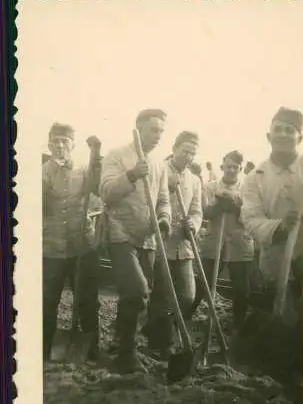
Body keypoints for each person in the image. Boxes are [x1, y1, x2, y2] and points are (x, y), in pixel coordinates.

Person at [99, 109, 171, 373]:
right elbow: (105, 192)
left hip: (148, 239)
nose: (158, 136)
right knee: (138, 291)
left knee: (138, 295)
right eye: (154, 130)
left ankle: (121, 342)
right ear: (138, 128)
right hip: (120, 233)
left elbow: (163, 199)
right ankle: (126, 355)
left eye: (162, 132)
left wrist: (164, 219)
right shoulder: (117, 155)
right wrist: (131, 175)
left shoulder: (159, 164)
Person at [42, 123, 102, 363]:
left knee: (87, 299)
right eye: (55, 141)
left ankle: (91, 350)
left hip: (81, 246)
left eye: (64, 141)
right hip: (51, 246)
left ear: (72, 145)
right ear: (49, 144)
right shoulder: (40, 172)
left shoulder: (84, 170)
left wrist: (97, 158)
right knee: (48, 300)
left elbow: (98, 187)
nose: (59, 146)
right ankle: (44, 347)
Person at [241, 107, 303, 317]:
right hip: (275, 265)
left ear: (300, 137)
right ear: (269, 136)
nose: (283, 135)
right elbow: (251, 220)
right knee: (278, 325)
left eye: (289, 130)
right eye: (278, 129)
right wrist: (281, 227)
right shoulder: (255, 178)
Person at [145, 131, 203, 359]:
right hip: (161, 243)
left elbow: (198, 210)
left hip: (184, 246)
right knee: (161, 295)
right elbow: (147, 200)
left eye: (193, 153)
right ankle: (162, 343)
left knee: (188, 295)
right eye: (185, 150)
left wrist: (194, 225)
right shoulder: (158, 169)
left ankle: (161, 332)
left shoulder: (195, 180)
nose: (188, 156)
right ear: (175, 147)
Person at [192, 150, 254, 329]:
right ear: (222, 167)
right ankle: (187, 313)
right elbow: (204, 212)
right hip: (215, 243)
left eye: (236, 167)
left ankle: (238, 324)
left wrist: (236, 208)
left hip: (239, 244)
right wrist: (219, 207)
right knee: (203, 282)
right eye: (229, 166)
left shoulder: (247, 189)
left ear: (241, 169)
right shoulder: (211, 187)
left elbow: (251, 217)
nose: (232, 170)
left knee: (241, 289)